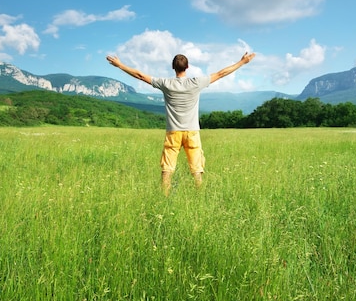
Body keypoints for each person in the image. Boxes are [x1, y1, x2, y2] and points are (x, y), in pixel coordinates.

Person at [106, 51, 256, 196]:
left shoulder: (166, 84)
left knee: (167, 169)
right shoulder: (196, 83)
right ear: (188, 67)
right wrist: (242, 62)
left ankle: (164, 196)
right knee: (197, 170)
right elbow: (221, 73)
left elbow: (140, 75)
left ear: (173, 67)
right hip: (192, 132)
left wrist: (120, 65)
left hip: (173, 132)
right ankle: (200, 196)